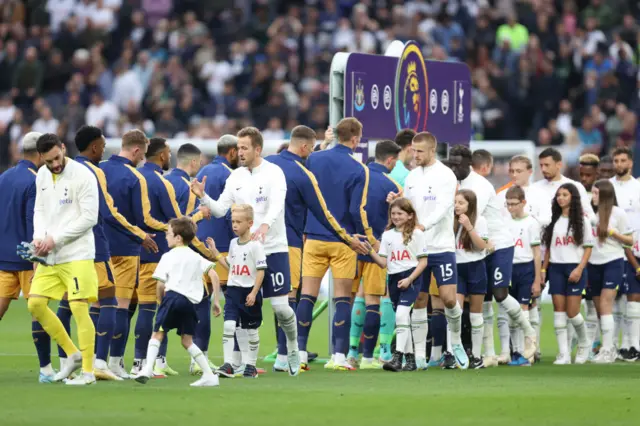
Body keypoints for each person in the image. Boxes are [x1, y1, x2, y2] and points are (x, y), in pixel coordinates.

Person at [191, 127, 302, 376]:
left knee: (281, 308)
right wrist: (203, 197)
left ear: (257, 149)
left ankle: (294, 347)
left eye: (244, 148)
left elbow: (276, 205)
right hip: (244, 253)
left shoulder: (274, 173)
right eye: (238, 148)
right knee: (240, 308)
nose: (239, 152)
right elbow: (220, 209)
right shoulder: (236, 177)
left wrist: (264, 225)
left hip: (273, 248)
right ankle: (239, 363)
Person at [265, 125, 359, 372]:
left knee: (305, 296)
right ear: (356, 139)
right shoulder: (358, 169)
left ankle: (300, 353)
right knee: (342, 298)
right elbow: (354, 210)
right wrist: (356, 237)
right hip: (341, 238)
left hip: (311, 238)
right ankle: (339, 356)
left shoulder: (309, 161)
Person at [450, 145, 537, 365]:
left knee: (499, 294)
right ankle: (488, 354)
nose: (454, 167)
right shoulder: (456, 183)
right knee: (485, 300)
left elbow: (467, 215)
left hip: (499, 244)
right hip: (479, 247)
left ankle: (530, 334)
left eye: (458, 164)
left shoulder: (478, 185)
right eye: (451, 163)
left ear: (468, 164)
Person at [389, 132, 468, 370]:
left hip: (441, 246)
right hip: (417, 248)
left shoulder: (446, 175)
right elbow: (409, 205)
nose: (415, 155)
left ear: (432, 151)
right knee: (420, 300)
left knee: (448, 299)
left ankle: (455, 344)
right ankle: (420, 357)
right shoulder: (412, 176)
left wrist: (423, 226)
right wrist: (397, 199)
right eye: (413, 150)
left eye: (420, 151)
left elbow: (445, 206)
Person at [27, 133, 100, 385]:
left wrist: (54, 239)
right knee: (35, 304)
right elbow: (39, 209)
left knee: (79, 307)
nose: (54, 164)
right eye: (48, 161)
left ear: (63, 148)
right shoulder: (43, 176)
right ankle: (72, 354)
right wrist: (38, 237)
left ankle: (88, 373)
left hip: (78, 253)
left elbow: (90, 218)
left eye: (57, 158)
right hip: (50, 254)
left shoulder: (83, 176)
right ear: (41, 158)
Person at [74, 125, 141, 381]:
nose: (104, 149)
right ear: (94, 146)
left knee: (77, 304)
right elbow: (109, 213)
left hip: (72, 248)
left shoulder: (67, 169)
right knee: (110, 302)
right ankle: (101, 361)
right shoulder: (95, 171)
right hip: (99, 246)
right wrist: (140, 235)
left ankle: (67, 361)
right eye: (102, 145)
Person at [99, 129, 161, 379]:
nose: (143, 160)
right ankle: (115, 363)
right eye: (143, 155)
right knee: (121, 307)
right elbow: (144, 218)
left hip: (99, 248)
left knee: (98, 306)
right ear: (136, 150)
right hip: (126, 249)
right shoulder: (135, 177)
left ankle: (95, 360)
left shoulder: (99, 169)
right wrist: (174, 227)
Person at [134, 217, 221, 387]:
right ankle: (209, 375)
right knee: (187, 341)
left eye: (168, 234)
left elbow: (160, 284)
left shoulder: (167, 256)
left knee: (157, 334)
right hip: (190, 303)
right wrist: (216, 301)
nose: (166, 237)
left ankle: (147, 369)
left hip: (172, 298)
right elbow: (214, 275)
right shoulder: (195, 256)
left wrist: (160, 302)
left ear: (178, 237)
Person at [0, 132, 53, 382]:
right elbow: (34, 221)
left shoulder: (4, 177)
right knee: (39, 311)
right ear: (41, 154)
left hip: (3, 256)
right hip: (28, 259)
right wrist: (37, 255)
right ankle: (46, 369)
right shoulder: (36, 180)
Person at [347, 140, 403, 369]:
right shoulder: (392, 185)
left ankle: (348, 353)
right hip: (377, 246)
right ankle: (374, 355)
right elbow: (400, 218)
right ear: (390, 160)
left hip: (349, 244)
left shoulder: (356, 176)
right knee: (377, 300)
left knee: (352, 298)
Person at [165, 142, 217, 375]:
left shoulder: (164, 180)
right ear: (194, 162)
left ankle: (156, 360)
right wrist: (200, 214)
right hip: (185, 254)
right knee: (201, 302)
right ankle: (199, 359)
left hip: (162, 255)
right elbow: (183, 227)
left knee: (159, 307)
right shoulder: (188, 187)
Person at [193, 135, 239, 370]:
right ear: (231, 152)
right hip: (222, 246)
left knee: (201, 301)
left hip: (199, 244)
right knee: (235, 301)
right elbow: (233, 213)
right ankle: (238, 360)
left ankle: (198, 359)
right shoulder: (231, 176)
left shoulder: (201, 173)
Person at [367, 198, 428, 372]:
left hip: (411, 276)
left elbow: (423, 262)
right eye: (393, 213)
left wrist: (410, 279)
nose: (396, 217)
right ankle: (410, 360)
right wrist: (370, 251)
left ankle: (397, 357)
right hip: (393, 278)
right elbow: (383, 263)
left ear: (410, 215)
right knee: (403, 320)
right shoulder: (387, 235)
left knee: (401, 315)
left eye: (400, 213)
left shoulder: (417, 234)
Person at [207, 205, 265, 379]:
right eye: (233, 221)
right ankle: (229, 364)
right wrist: (216, 253)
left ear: (250, 223)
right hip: (233, 291)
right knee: (229, 325)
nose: (235, 225)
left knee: (251, 330)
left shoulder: (256, 246)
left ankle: (251, 366)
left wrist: (254, 292)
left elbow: (261, 270)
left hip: (249, 292)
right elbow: (232, 267)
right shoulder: (233, 243)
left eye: (239, 222)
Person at [541, 183, 593, 365]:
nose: (560, 198)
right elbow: (548, 249)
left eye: (564, 194)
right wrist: (543, 270)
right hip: (556, 268)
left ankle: (584, 343)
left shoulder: (581, 221)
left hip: (574, 267)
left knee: (573, 312)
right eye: (558, 195)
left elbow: (588, 248)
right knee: (559, 311)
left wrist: (579, 268)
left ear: (573, 198)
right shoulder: (554, 221)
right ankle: (563, 353)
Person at [588, 179, 633, 363]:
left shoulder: (618, 213)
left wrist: (612, 232)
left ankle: (607, 350)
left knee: (607, 304)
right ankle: (608, 346)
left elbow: (629, 241)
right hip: (593, 263)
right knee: (600, 309)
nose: (593, 197)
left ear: (605, 195)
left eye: (596, 193)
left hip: (612, 262)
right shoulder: (591, 213)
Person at [505, 185, 542, 366]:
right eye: (508, 204)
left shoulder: (531, 223)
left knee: (523, 310)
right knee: (512, 312)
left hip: (525, 268)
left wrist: (537, 279)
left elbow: (536, 253)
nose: (511, 208)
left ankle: (529, 354)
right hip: (509, 269)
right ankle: (517, 351)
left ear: (523, 202)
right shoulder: (505, 222)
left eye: (514, 204)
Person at [453, 189, 490, 369]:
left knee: (476, 315)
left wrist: (468, 226)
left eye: (461, 203)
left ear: (470, 205)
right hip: (457, 268)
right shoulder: (450, 221)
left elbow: (482, 246)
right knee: (456, 312)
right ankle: (454, 352)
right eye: (455, 202)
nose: (457, 206)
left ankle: (476, 355)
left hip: (476, 267)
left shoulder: (479, 220)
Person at [610, 147, 640, 360]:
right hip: (611, 250)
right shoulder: (607, 188)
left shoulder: (638, 188)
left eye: (623, 160)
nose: (619, 164)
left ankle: (633, 345)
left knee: (633, 297)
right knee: (613, 301)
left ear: (630, 163)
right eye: (616, 160)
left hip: (634, 249)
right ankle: (615, 346)